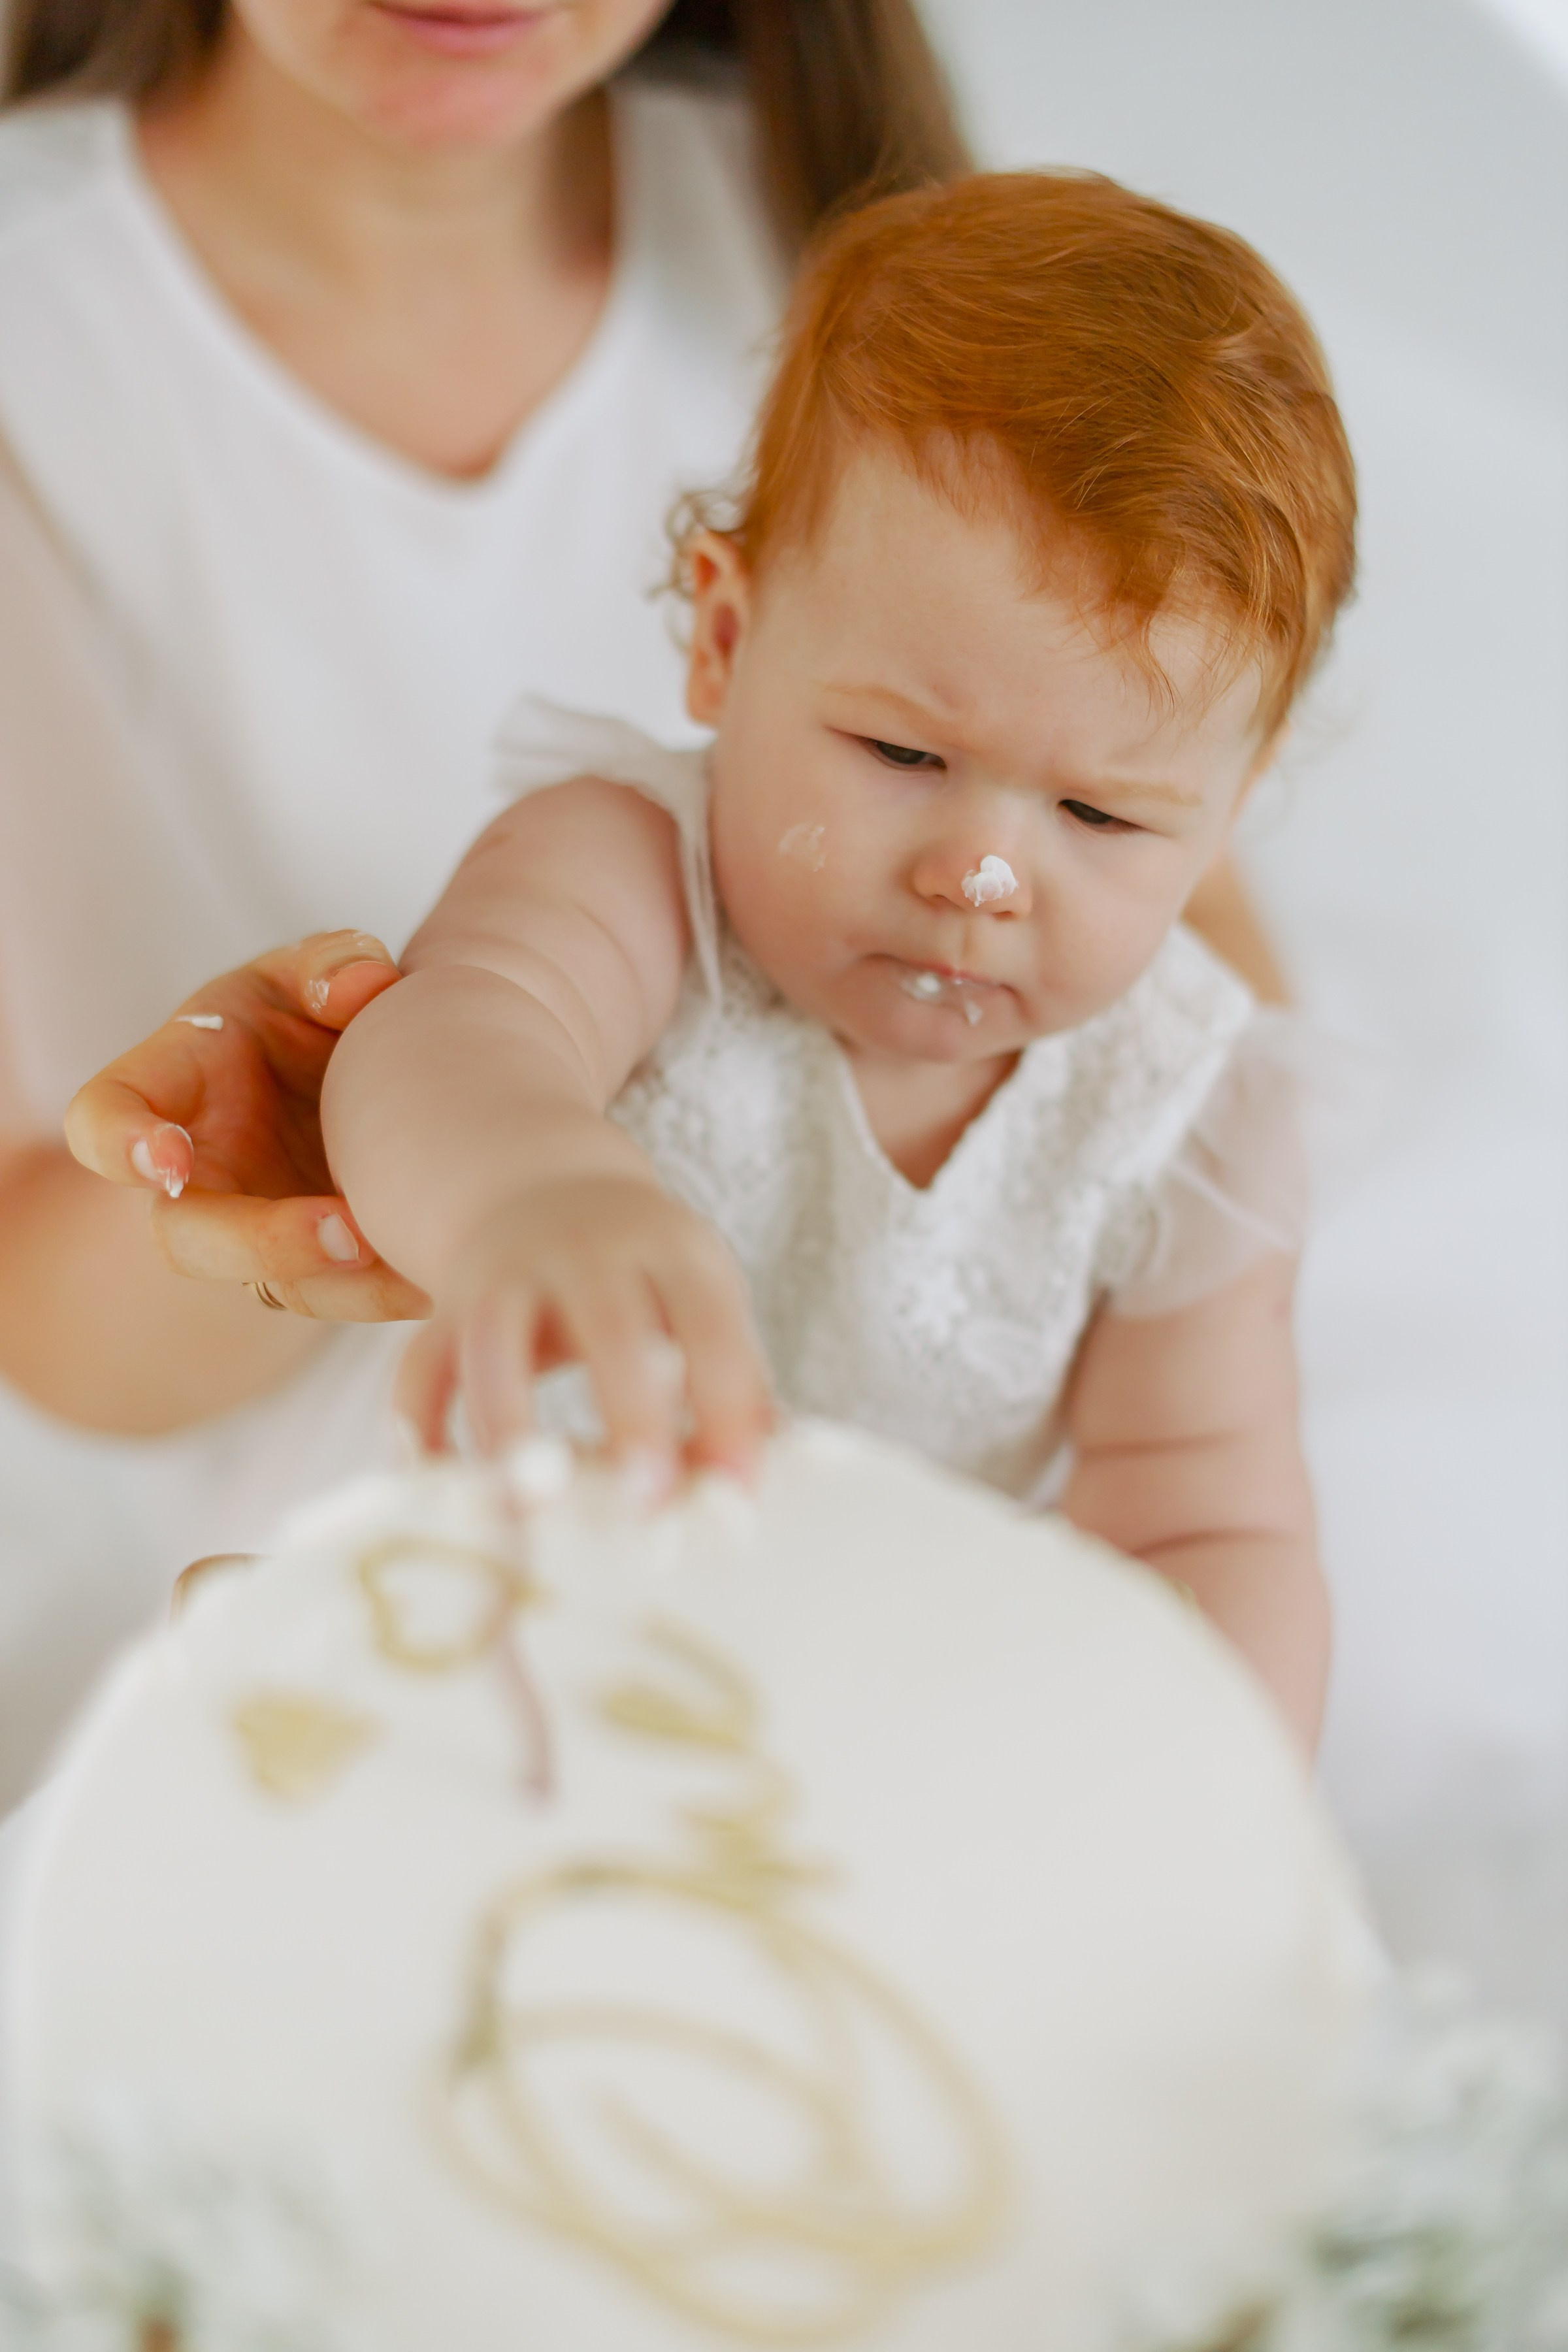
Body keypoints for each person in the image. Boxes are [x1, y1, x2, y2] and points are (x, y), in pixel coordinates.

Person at [293, 174, 1348, 1744]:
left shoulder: (1191, 1113)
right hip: (493, 1632)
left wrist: (1179, 1771)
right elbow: (447, 1040)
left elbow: (1203, 1517)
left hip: (847, 1712)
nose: (981, 875)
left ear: (1231, 813)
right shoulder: (639, 879)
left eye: (1101, 815)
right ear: (724, 639)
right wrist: (532, 1188)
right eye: (902, 753)